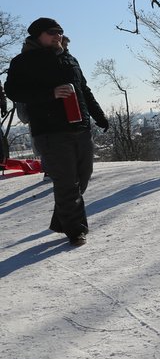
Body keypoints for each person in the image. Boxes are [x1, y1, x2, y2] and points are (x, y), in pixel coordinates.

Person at [3, 17, 109, 246]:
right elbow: (13, 91)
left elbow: (85, 90)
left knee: (83, 176)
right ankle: (75, 230)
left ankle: (64, 218)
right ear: (38, 36)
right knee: (66, 182)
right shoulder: (23, 61)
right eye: (51, 32)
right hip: (50, 131)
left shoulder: (69, 58)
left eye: (60, 31)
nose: (57, 35)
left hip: (80, 127)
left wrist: (99, 116)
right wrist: (49, 94)